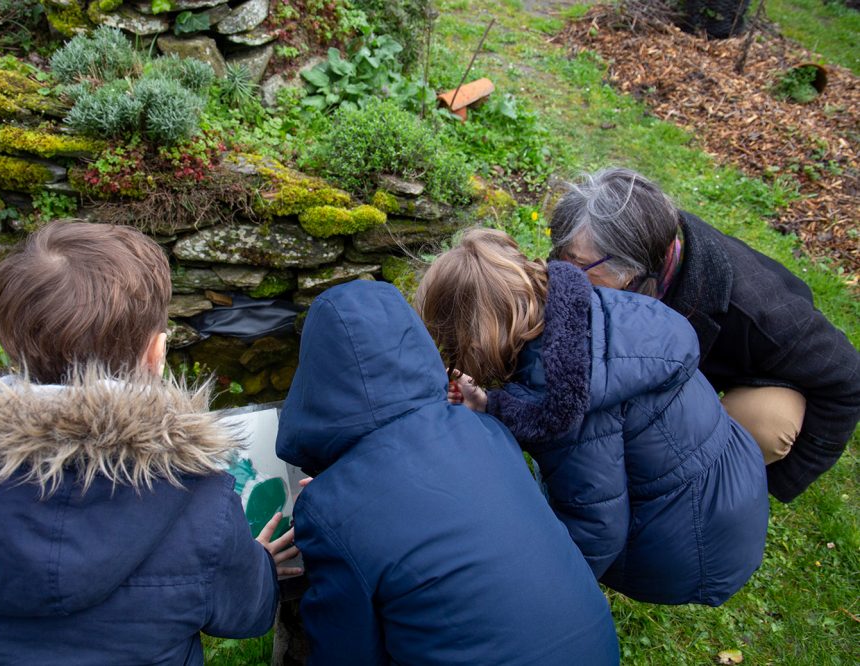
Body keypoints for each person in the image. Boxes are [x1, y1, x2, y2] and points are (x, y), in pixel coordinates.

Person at [0, 221, 297, 665]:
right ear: (156, 355)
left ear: (12, 352)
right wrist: (258, 564)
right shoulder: (199, 496)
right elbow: (247, 616)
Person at [415, 228, 769, 606]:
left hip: (697, 553)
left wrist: (539, 603)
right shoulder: (595, 308)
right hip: (736, 484)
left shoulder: (564, 400)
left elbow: (596, 530)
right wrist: (494, 404)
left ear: (471, 338)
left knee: (531, 508)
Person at [275, 280, 619, 665]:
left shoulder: (326, 509)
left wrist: (330, 507)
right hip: (597, 649)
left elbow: (346, 654)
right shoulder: (487, 430)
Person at [547, 167, 860, 503]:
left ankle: (727, 471)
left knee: (766, 425)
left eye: (576, 262)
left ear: (631, 269)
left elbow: (848, 378)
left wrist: (775, 484)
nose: (561, 270)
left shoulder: (761, 315)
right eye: (561, 253)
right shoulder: (633, 235)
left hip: (764, 380)